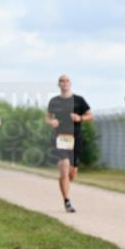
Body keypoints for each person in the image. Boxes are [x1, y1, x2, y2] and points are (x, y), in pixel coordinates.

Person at [46, 75, 93, 213]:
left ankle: (66, 180)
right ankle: (67, 201)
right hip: (59, 137)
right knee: (64, 166)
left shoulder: (79, 100)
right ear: (58, 84)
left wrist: (80, 118)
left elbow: (90, 115)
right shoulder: (54, 101)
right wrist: (51, 122)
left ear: (70, 83)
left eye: (66, 80)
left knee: (72, 173)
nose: (64, 83)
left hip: (75, 138)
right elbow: (48, 117)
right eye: (61, 80)